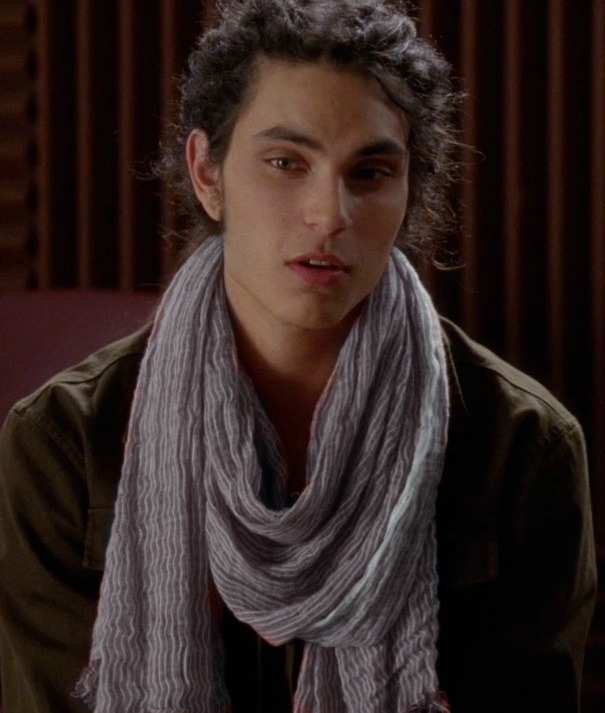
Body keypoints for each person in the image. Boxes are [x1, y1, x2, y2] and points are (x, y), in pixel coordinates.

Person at [0, 1, 596, 711]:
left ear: (409, 191)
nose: (329, 214)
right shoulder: (62, 442)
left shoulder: (522, 445)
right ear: (207, 173)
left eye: (370, 172)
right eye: (285, 162)